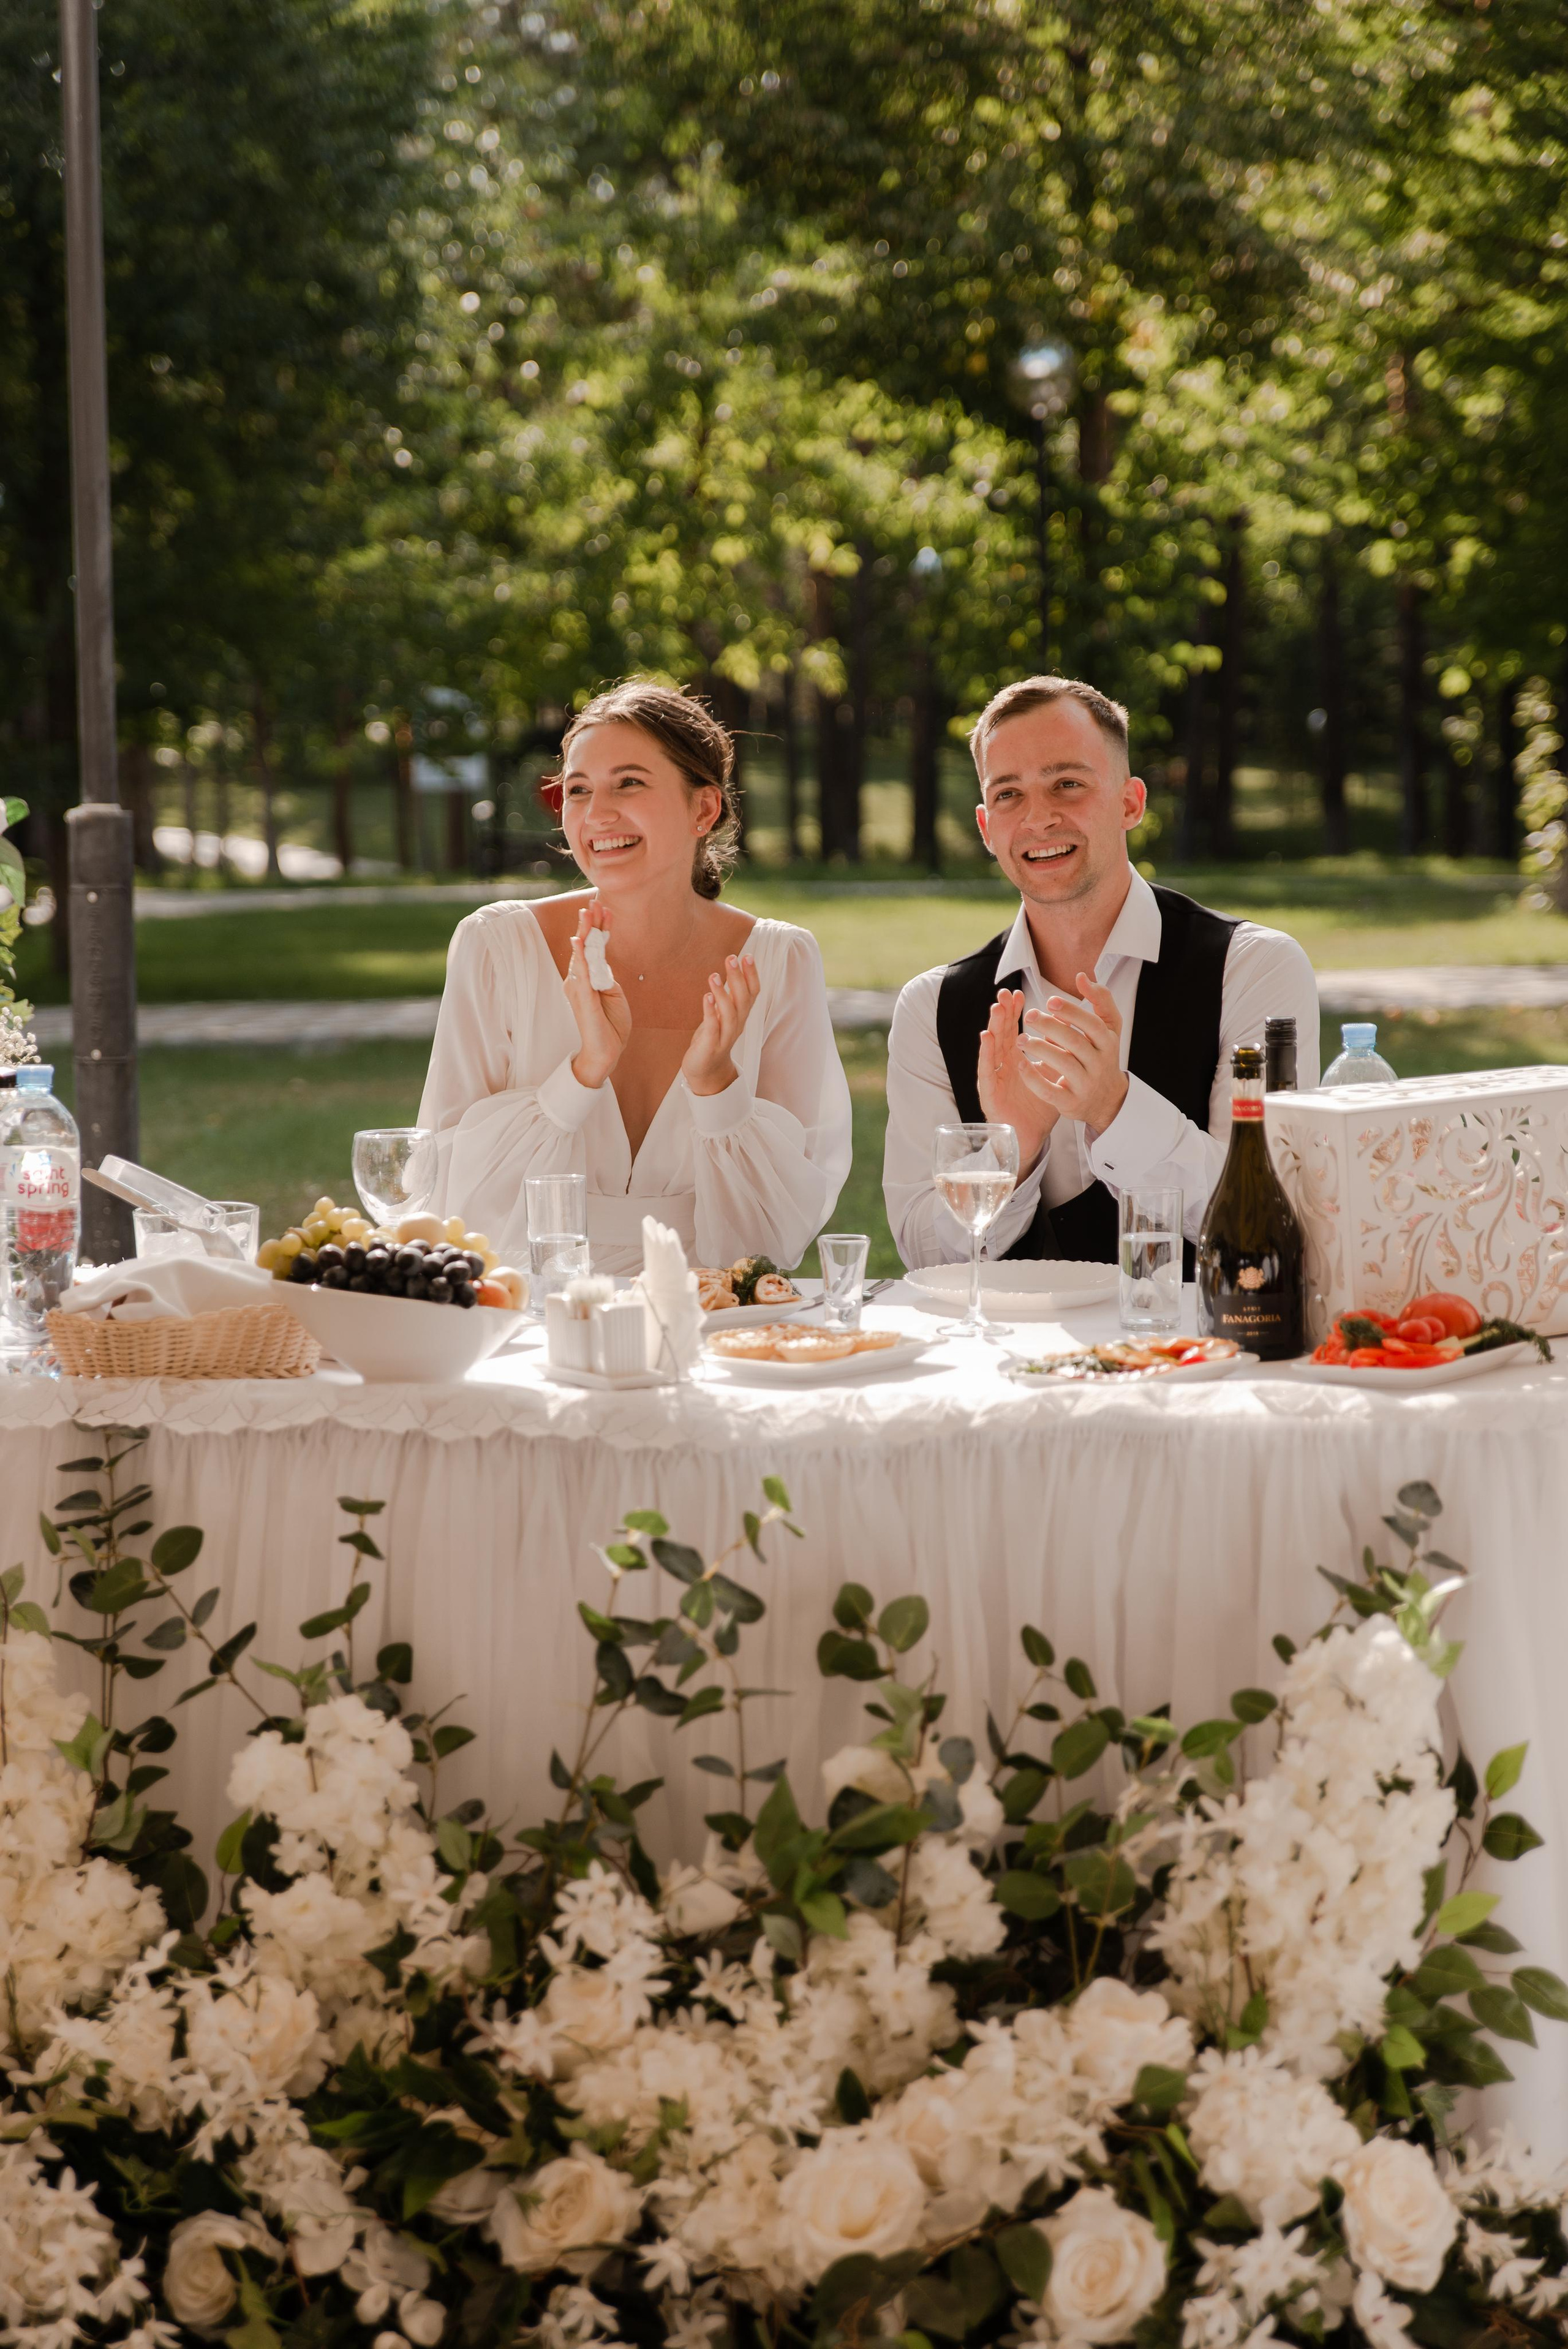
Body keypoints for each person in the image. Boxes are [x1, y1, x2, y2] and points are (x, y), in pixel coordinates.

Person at [883, 675, 1319, 1268]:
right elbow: (923, 1257)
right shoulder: (930, 1009)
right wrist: (1012, 1156)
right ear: (987, 828)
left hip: (1204, 1331)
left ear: (1130, 803)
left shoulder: (1253, 969)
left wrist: (1116, 1109)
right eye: (1009, 794)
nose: (1039, 818)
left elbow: (1267, 1226)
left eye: (1067, 784)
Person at [419, 681, 851, 1275]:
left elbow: (780, 1227)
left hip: (712, 1310)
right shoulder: (496, 948)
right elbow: (450, 1195)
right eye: (578, 789)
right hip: (536, 1305)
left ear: (703, 809)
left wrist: (715, 1085)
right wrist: (582, 1072)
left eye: (629, 783)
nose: (597, 814)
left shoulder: (779, 961)